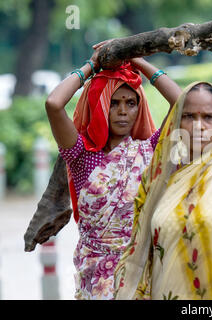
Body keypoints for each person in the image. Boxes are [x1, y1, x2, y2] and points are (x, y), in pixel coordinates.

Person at [44, 41, 182, 299]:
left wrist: (137, 59)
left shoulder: (150, 151)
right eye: (114, 102)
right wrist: (92, 65)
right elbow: (53, 103)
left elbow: (182, 102)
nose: (122, 111)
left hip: (143, 278)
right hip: (96, 282)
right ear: (100, 104)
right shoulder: (81, 155)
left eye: (131, 103)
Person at [114, 81, 212, 300]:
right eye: (189, 116)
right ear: (177, 122)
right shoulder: (157, 184)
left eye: (209, 117)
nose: (198, 126)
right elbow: (140, 254)